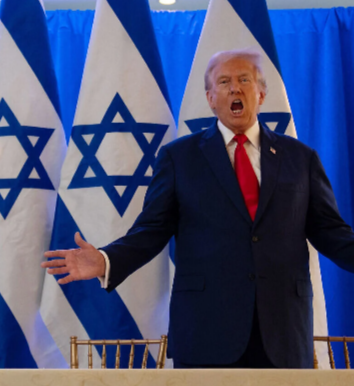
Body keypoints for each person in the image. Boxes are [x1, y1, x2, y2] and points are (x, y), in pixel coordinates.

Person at [43, 49, 354, 369]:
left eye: (244, 80)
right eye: (224, 82)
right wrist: (106, 260)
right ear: (210, 98)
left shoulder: (301, 158)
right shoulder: (179, 158)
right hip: (207, 331)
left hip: (283, 330)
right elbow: (151, 230)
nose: (235, 88)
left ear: (261, 94)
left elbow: (330, 231)